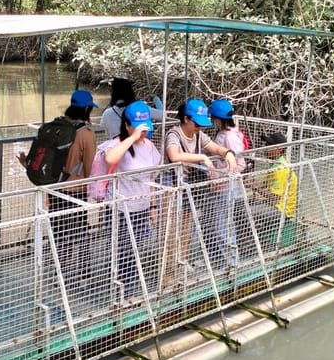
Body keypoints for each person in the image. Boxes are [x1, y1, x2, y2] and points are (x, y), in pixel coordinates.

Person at [17, 90, 99, 283]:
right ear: (87, 109)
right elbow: (89, 169)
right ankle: (84, 271)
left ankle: (59, 271)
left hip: (54, 186)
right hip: (76, 189)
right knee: (80, 229)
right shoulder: (86, 134)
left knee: (59, 229)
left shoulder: (55, 128)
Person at [162, 98, 238, 285]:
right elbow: (174, 155)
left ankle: (180, 267)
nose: (199, 128)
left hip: (190, 188)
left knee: (186, 231)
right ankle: (167, 276)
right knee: (171, 233)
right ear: (186, 119)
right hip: (173, 187)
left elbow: (215, 147)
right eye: (197, 123)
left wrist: (228, 153)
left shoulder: (199, 135)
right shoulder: (174, 134)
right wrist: (202, 157)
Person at [101, 100, 161, 296]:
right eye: (138, 128)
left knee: (134, 252)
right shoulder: (118, 144)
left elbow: (151, 177)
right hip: (119, 209)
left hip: (141, 207)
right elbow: (109, 159)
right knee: (124, 252)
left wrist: (153, 206)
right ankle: (122, 295)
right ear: (127, 125)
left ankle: (129, 292)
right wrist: (131, 136)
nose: (143, 133)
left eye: (145, 129)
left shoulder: (149, 146)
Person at [208, 99, 247, 269]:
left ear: (219, 118)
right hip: (219, 187)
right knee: (217, 225)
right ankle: (223, 261)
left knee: (223, 226)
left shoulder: (231, 137)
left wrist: (221, 178)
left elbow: (240, 164)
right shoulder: (222, 133)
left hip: (226, 187)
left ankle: (232, 263)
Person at [250, 131, 298, 248]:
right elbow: (264, 186)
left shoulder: (280, 169)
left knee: (246, 213)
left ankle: (250, 245)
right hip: (272, 204)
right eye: (266, 144)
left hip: (281, 209)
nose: (266, 148)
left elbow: (275, 197)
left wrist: (254, 187)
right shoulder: (275, 164)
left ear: (279, 149)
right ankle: (252, 242)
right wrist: (250, 182)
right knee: (240, 205)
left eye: (270, 145)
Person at [100, 77, 164, 140]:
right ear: (131, 92)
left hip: (116, 147)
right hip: (138, 145)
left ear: (113, 93)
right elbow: (163, 115)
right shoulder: (140, 109)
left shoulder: (107, 113)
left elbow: (105, 132)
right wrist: (156, 99)